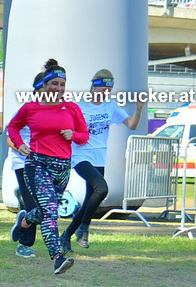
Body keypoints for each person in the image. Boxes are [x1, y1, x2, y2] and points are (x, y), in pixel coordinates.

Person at [7, 59, 90, 275]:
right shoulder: (30, 108)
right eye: (54, 83)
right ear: (44, 85)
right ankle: (57, 257)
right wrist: (20, 145)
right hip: (37, 163)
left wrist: (74, 135)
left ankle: (25, 220)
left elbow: (84, 136)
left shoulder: (72, 108)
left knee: (45, 210)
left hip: (62, 166)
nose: (59, 88)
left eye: (62, 84)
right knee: (51, 211)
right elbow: (13, 127)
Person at [61, 69, 144, 253]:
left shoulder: (110, 106)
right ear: (93, 87)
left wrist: (139, 108)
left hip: (100, 157)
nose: (105, 92)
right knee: (103, 188)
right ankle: (84, 227)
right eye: (103, 88)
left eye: (109, 89)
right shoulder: (79, 107)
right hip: (81, 156)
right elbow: (66, 129)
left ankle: (66, 235)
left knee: (92, 199)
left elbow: (132, 125)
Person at [8, 73, 48, 258]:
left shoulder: (56, 111)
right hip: (23, 162)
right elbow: (9, 137)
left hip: (45, 163)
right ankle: (24, 245)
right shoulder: (27, 109)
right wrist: (20, 147)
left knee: (45, 206)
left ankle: (22, 208)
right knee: (34, 206)